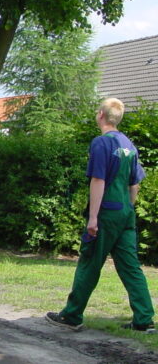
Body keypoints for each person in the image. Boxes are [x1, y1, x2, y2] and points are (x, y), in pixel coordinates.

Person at [46, 98, 154, 333]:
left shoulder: (101, 143)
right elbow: (134, 185)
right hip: (125, 212)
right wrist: (128, 210)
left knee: (90, 262)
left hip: (107, 212)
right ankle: (144, 319)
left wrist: (93, 217)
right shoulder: (129, 145)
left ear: (101, 115)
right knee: (130, 266)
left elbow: (98, 180)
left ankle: (72, 315)